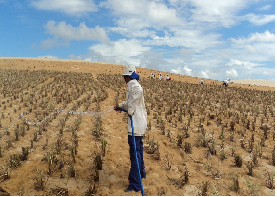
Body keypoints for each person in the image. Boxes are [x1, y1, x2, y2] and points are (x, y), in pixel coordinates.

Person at [114, 65, 147, 192]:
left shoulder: (133, 84)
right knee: (138, 150)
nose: (124, 79)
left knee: (135, 154)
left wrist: (130, 110)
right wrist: (121, 106)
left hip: (136, 125)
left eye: (124, 77)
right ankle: (141, 174)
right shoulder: (133, 83)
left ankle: (135, 184)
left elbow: (137, 93)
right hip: (140, 123)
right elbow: (131, 101)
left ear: (127, 76)